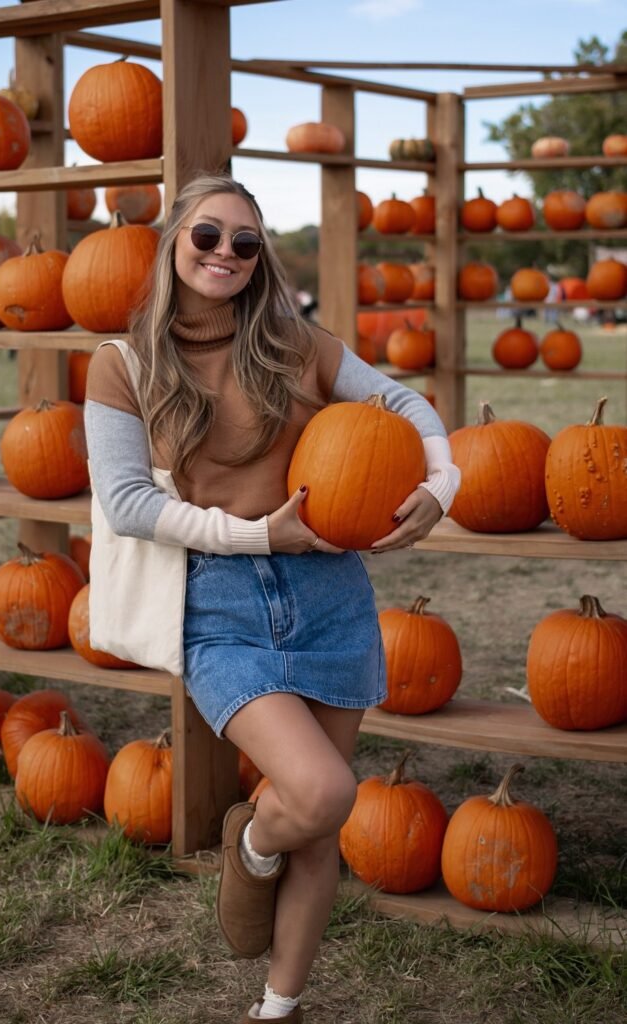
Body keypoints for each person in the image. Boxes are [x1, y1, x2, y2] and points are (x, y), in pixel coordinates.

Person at [84, 171, 460, 1024]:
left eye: (244, 243)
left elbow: (401, 402)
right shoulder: (124, 365)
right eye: (207, 236)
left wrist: (443, 482)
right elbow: (127, 504)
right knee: (322, 793)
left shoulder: (296, 342)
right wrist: (260, 536)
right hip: (218, 603)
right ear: (173, 243)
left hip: (329, 591)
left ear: (260, 258)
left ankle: (277, 1007)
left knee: (318, 830)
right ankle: (250, 843)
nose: (225, 253)